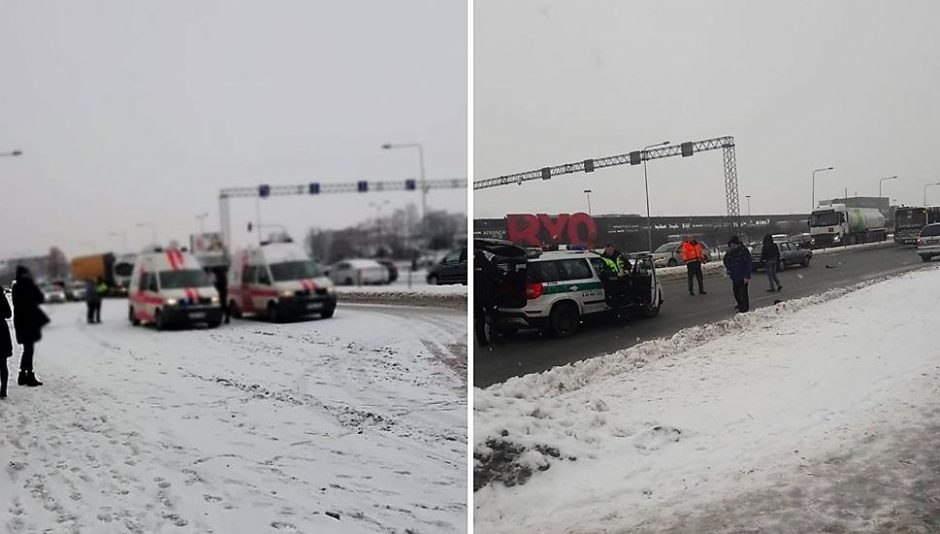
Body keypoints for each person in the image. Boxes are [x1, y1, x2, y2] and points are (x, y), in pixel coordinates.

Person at [11, 266, 48, 387]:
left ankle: (22, 375)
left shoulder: (16, 287)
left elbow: (18, 303)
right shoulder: (29, 285)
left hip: (20, 321)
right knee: (29, 349)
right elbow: (40, 299)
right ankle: (29, 375)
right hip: (29, 321)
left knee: (27, 349)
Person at [473, 251, 499, 346]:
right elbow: (495, 275)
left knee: (479, 319)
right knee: (494, 316)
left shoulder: (472, 264)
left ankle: (481, 340)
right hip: (487, 295)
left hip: (475, 297)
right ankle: (494, 336)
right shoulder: (486, 263)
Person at [723, 236, 753, 313]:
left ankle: (744, 308)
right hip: (734, 276)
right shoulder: (730, 252)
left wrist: (747, 276)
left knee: (743, 293)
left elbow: (749, 264)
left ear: (736, 244)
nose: (731, 247)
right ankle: (740, 304)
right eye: (730, 245)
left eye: (732, 245)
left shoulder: (744, 251)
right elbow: (725, 260)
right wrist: (729, 270)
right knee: (736, 292)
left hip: (743, 275)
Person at [1, 287, 12, 398]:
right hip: (1, 331)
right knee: (3, 363)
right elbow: (9, 314)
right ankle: (3, 390)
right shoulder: (1, 296)